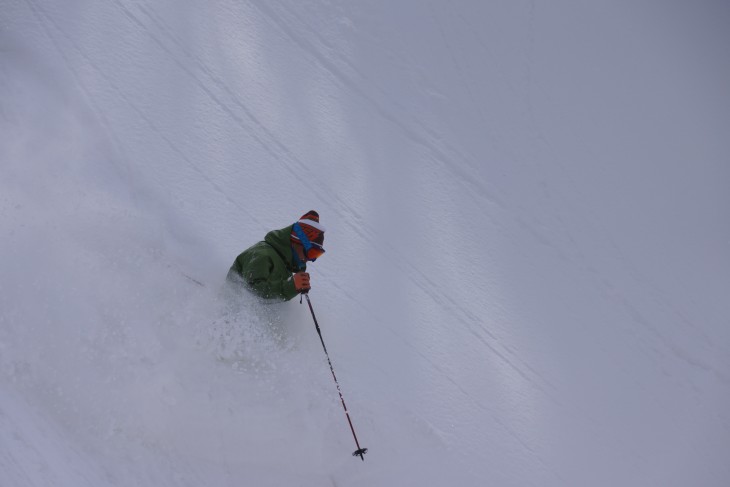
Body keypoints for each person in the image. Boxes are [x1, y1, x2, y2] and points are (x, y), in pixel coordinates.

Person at [226, 211, 325, 301]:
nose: (311, 259)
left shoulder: (285, 262)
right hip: (233, 314)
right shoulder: (262, 255)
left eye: (316, 255)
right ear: (297, 243)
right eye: (311, 253)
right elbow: (252, 290)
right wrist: (291, 287)